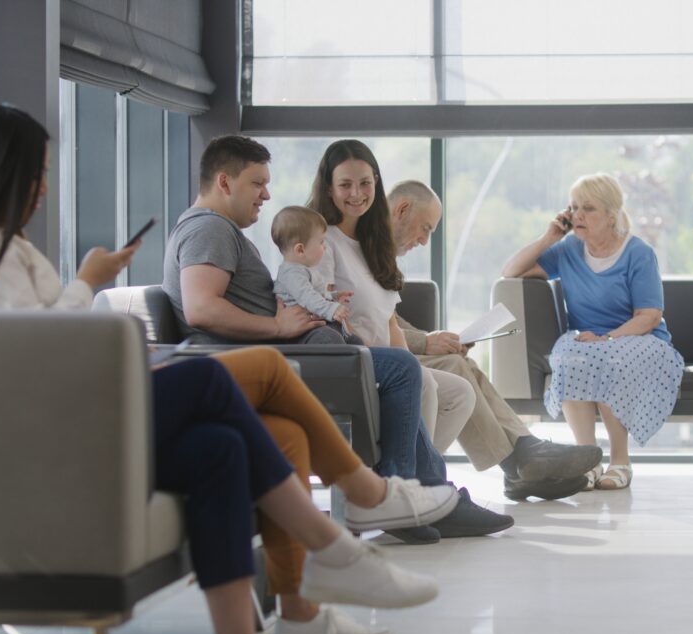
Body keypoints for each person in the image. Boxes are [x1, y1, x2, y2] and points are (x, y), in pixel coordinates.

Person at [0, 109, 441, 634]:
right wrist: (88, 291)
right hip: (54, 426)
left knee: (239, 443)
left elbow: (22, 350)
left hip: (63, 408)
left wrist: (88, 301)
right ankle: (353, 514)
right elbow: (22, 365)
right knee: (243, 372)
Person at [162, 134, 503, 543]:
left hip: (287, 352)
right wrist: (279, 327)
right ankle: (400, 493)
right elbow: (201, 308)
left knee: (405, 370)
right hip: (278, 358)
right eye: (257, 184)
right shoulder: (210, 230)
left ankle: (420, 492)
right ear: (223, 182)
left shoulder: (218, 231)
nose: (266, 195)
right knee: (401, 369)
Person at [308, 139, 515, 541]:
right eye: (346, 184)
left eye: (365, 183)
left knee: (456, 391)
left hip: (385, 360)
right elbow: (320, 315)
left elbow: (388, 322)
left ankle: (418, 496)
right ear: (329, 187)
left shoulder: (371, 245)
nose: (357, 194)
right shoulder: (324, 240)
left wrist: (412, 364)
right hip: (352, 364)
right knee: (426, 386)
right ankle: (424, 497)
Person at [387, 179, 604, 501]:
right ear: (402, 210)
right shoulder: (359, 254)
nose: (424, 240)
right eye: (425, 228)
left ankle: (523, 457)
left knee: (460, 360)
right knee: (452, 365)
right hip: (378, 354)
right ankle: (520, 466)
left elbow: (387, 318)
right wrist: (425, 342)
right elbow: (368, 325)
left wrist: (432, 338)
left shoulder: (377, 256)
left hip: (392, 347)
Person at [502, 173, 684, 491]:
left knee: (610, 359)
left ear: (611, 216)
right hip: (588, 339)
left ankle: (620, 461)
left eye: (588, 208)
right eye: (573, 207)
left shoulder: (638, 253)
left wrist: (609, 338)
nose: (577, 216)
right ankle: (588, 462)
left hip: (638, 338)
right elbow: (511, 271)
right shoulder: (569, 249)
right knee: (569, 357)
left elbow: (649, 317)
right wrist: (549, 238)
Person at [270, 205, 361, 344]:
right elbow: (308, 297)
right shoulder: (291, 273)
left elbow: (316, 293)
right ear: (300, 249)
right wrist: (331, 309)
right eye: (321, 241)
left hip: (317, 321)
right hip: (304, 329)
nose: (324, 246)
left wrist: (333, 296)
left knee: (355, 341)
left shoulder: (305, 269)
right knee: (331, 339)